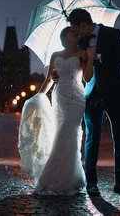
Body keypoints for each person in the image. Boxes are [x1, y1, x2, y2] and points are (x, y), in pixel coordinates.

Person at [67, 8, 120, 196]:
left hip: (115, 93)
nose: (74, 32)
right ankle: (92, 184)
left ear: (83, 24)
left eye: (75, 28)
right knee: (92, 139)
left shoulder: (112, 33)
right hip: (92, 96)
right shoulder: (80, 42)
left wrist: (99, 57)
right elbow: (75, 65)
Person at [18, 27, 95, 195]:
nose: (75, 33)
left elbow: (87, 78)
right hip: (60, 97)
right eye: (71, 31)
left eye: (76, 32)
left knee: (69, 133)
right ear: (64, 36)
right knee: (61, 133)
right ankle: (70, 177)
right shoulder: (55, 55)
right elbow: (49, 79)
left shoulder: (82, 54)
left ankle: (54, 178)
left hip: (76, 97)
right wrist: (38, 97)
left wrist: (90, 59)